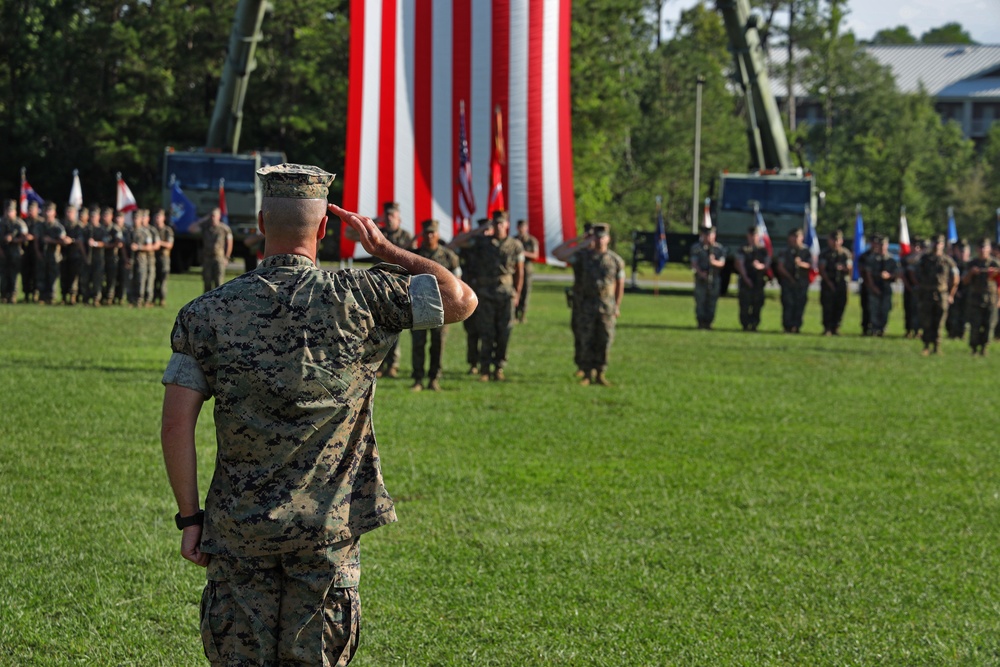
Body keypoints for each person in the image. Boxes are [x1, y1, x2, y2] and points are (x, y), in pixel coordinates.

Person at [160, 164, 477, 666]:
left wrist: (189, 518)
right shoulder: (364, 297)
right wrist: (385, 249)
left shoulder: (206, 313)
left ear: (262, 223)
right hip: (327, 534)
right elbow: (461, 300)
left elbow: (177, 424)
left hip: (240, 532)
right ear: (325, 229)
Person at [453, 210, 523, 381]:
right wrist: (479, 229)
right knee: (486, 331)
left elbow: (519, 272)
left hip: (506, 293)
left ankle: (498, 367)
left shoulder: (515, 245)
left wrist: (518, 293)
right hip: (485, 293)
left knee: (504, 332)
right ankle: (484, 368)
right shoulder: (481, 242)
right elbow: (457, 242)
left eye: (501, 223)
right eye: (495, 224)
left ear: (507, 225)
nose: (498, 227)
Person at [552, 223, 624, 386]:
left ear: (608, 239)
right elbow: (557, 254)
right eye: (596, 238)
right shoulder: (582, 256)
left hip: (606, 306)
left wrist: (617, 305)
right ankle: (586, 373)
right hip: (584, 305)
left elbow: (620, 284)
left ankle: (600, 372)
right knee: (585, 339)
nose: (599, 241)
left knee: (604, 339)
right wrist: (580, 241)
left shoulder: (615, 260)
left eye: (602, 237)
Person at [410, 219, 460, 391]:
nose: (430, 236)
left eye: (433, 232)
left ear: (438, 235)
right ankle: (417, 379)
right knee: (418, 344)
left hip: (441, 308)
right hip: (419, 307)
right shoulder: (415, 256)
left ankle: (433, 379)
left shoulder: (448, 257)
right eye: (427, 233)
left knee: (438, 344)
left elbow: (457, 283)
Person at [915, 235, 958, 355]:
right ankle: (926, 345)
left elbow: (955, 279)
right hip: (926, 294)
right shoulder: (924, 259)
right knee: (926, 321)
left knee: (939, 322)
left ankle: (937, 346)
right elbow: (915, 273)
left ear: (943, 245)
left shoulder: (947, 260)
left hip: (941, 294)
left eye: (939, 243)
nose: (937, 245)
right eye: (935, 243)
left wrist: (951, 294)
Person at [962, 238, 1000, 355]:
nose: (983, 250)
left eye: (985, 247)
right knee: (975, 325)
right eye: (981, 247)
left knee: (989, 325)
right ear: (977, 249)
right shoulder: (971, 263)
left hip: (991, 300)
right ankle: (974, 348)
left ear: (989, 249)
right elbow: (964, 281)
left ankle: (984, 348)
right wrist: (971, 273)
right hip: (975, 300)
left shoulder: (995, 264)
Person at [690, 224, 725, 329]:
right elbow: (694, 263)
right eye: (706, 235)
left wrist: (714, 262)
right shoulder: (697, 248)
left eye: (711, 234)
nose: (708, 237)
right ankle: (700, 322)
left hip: (714, 278)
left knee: (712, 301)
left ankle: (709, 322)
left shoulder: (719, 248)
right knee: (700, 300)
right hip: (701, 278)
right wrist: (701, 273)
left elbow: (722, 263)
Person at [776, 228, 811, 333]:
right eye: (793, 236)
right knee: (788, 304)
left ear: (802, 238)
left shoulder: (806, 251)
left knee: (800, 305)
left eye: (798, 236)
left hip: (801, 283)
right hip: (788, 282)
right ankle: (787, 326)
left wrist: (801, 264)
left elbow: (811, 266)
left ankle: (796, 326)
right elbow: (780, 267)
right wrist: (789, 278)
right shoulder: (784, 251)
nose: (795, 239)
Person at [863, 234, 899, 337]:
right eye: (880, 244)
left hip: (886, 288)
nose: (882, 246)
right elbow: (868, 274)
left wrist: (889, 275)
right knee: (874, 309)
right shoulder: (871, 259)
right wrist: (872, 287)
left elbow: (897, 273)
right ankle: (874, 329)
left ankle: (882, 329)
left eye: (884, 244)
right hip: (875, 287)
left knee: (885, 309)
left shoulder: (891, 259)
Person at [735, 225, 769, 331]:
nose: (753, 237)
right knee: (745, 304)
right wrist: (746, 278)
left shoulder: (763, 250)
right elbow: (739, 264)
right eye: (751, 235)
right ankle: (745, 325)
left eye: (755, 235)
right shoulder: (743, 249)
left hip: (758, 281)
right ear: (748, 236)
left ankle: (754, 324)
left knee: (757, 304)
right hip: (746, 280)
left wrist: (760, 266)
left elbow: (767, 264)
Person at [818, 230, 852, 335]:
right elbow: (822, 269)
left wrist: (844, 268)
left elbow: (850, 268)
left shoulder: (845, 253)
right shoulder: (824, 253)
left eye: (837, 240)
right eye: (833, 240)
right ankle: (827, 327)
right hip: (828, 282)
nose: (835, 242)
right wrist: (829, 282)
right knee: (827, 306)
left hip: (841, 283)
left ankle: (836, 327)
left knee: (840, 305)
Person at [194, 207, 232, 292]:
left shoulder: (224, 228)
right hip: (207, 258)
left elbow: (229, 243)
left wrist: (227, 257)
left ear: (219, 216)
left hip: (219, 258)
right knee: (207, 283)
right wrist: (204, 219)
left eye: (214, 216)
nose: (212, 218)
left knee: (219, 283)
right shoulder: (205, 227)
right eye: (211, 216)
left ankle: (218, 304)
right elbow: (192, 229)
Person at [34, 202, 66, 304]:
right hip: (43, 255)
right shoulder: (39, 225)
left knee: (53, 277)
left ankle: (51, 297)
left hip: (54, 256)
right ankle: (42, 297)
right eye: (45, 210)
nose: (47, 213)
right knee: (41, 275)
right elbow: (35, 240)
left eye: (49, 210)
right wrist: (38, 252)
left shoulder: (58, 226)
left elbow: (63, 241)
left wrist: (51, 241)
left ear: (54, 212)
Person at [0, 200, 29, 303]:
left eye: (11, 211)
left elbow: (26, 237)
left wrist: (14, 240)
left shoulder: (19, 223)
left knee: (14, 275)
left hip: (15, 254)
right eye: (7, 210)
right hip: (2, 253)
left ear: (15, 212)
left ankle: (13, 295)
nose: (9, 213)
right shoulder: (1, 222)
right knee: (3, 275)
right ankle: (3, 294)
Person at [514, 218, 539, 323]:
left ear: (526, 228)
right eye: (519, 227)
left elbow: (535, 255)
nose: (521, 229)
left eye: (523, 227)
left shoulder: (531, 240)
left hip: (527, 269)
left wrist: (523, 253)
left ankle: (523, 315)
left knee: (526, 292)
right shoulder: (514, 240)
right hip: (515, 269)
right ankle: (514, 314)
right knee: (515, 290)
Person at [60, 205, 84, 305]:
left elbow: (81, 240)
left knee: (74, 277)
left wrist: (72, 241)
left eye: (71, 212)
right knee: (64, 276)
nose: (69, 214)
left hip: (75, 255)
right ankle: (64, 296)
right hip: (63, 255)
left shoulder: (79, 226)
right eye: (67, 212)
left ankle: (73, 296)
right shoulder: (61, 224)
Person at [946, 241, 970, 339]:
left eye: (964, 251)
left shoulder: (970, 264)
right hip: (954, 293)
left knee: (965, 315)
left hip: (967, 294)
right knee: (952, 315)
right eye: (960, 251)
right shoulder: (952, 263)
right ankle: (952, 333)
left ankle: (962, 333)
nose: (962, 253)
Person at [901, 239, 924, 339]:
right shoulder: (905, 259)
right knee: (909, 310)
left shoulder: (923, 259)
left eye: (918, 247)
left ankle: (918, 330)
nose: (916, 249)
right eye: (914, 246)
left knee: (919, 311)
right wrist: (909, 286)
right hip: (909, 288)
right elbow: (902, 274)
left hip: (921, 289)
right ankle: (909, 330)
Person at [153, 208, 174, 306]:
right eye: (156, 217)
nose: (157, 219)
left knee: (163, 280)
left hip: (164, 258)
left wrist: (159, 243)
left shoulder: (167, 230)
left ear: (163, 218)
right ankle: (153, 299)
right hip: (153, 258)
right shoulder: (152, 229)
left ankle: (162, 299)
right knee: (153, 279)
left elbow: (170, 245)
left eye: (159, 217)